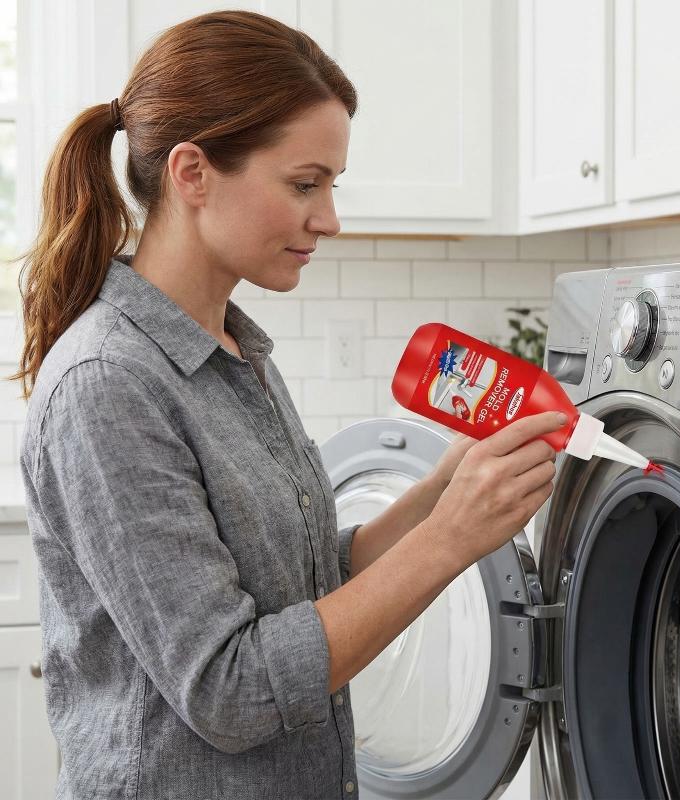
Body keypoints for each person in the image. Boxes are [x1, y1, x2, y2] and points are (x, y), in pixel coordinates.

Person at [11, 11, 561, 800]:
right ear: (192, 174)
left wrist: (443, 492)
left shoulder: (235, 351)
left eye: (332, 185)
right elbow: (229, 690)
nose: (328, 218)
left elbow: (302, 587)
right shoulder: (108, 384)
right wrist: (449, 540)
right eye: (305, 184)